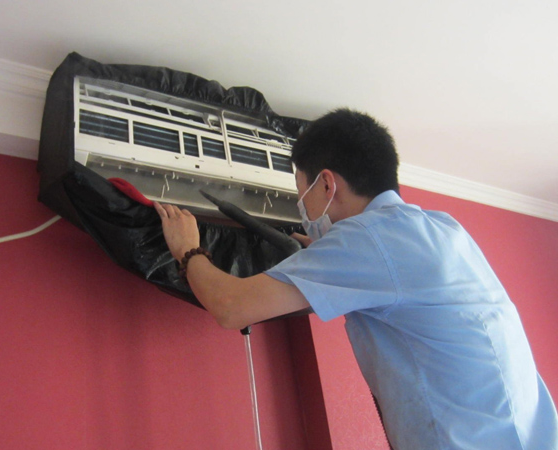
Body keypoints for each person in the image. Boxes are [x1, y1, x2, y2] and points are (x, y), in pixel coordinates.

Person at [154, 108, 558, 449]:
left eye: (301, 193)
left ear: (327, 183)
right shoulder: (442, 229)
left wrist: (188, 249)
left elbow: (231, 307)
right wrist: (325, 257)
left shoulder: (370, 240)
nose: (303, 210)